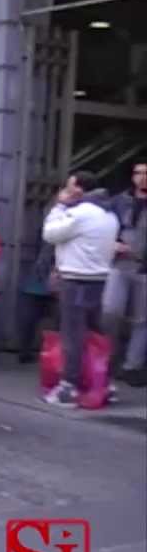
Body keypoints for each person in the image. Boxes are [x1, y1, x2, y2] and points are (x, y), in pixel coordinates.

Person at [41, 171, 121, 408]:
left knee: (73, 334)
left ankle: (69, 387)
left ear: (78, 189)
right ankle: (103, 382)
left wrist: (59, 206)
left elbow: (50, 234)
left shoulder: (80, 213)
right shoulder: (109, 214)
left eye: (69, 187)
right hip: (99, 278)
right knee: (96, 334)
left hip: (76, 279)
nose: (65, 191)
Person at [109, 162, 147, 386]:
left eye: (146, 173)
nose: (142, 177)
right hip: (119, 264)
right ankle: (109, 357)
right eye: (138, 173)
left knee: (143, 319)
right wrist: (112, 243)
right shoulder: (120, 201)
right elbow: (106, 226)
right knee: (110, 311)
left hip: (144, 267)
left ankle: (132, 365)